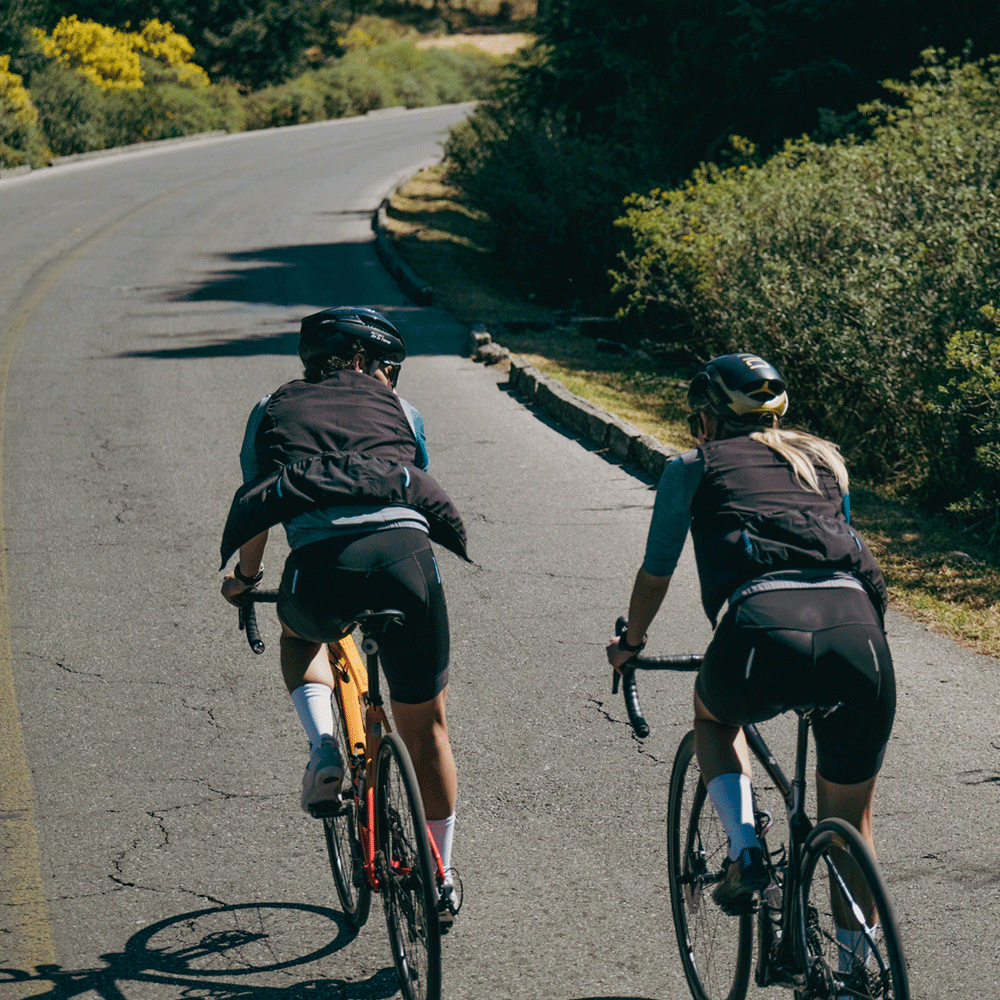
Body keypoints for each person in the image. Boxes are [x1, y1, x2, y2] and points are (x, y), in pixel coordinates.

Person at [606, 353, 895, 963]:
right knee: (851, 829)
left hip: (762, 633)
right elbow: (847, 553)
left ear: (707, 422)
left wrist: (631, 643)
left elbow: (656, 574)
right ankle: (853, 974)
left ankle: (745, 849)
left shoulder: (690, 468)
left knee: (714, 718)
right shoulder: (824, 462)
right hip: (859, 636)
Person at [219, 306, 469, 925]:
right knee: (429, 726)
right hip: (404, 559)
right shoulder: (403, 413)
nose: (394, 381)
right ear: (363, 361)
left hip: (321, 564)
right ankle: (440, 875)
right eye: (390, 367)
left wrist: (247, 582)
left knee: (300, 636)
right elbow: (414, 482)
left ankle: (325, 746)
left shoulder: (270, 408)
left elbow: (259, 510)